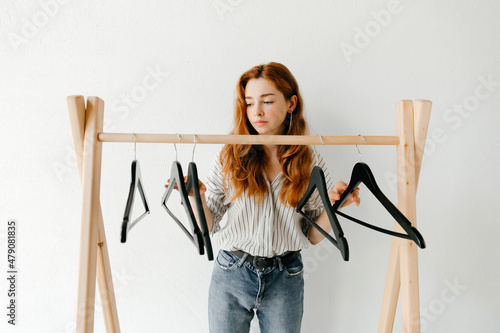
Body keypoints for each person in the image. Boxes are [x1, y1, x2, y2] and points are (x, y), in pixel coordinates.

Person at [168, 62, 360, 333]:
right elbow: (208, 226)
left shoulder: (309, 159)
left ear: (291, 103)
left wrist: (335, 205)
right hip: (231, 272)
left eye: (267, 101)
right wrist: (196, 198)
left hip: (286, 276)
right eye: (249, 103)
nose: (256, 111)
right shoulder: (230, 154)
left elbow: (313, 236)